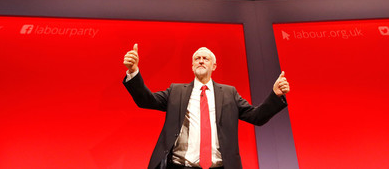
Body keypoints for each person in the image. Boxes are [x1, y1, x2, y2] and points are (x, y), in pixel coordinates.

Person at [123, 44, 290, 169]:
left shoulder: (229, 93)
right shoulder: (176, 91)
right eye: (197, 58)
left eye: (205, 58)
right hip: (180, 166)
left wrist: (275, 95)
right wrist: (133, 72)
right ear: (192, 66)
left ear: (214, 66)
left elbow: (257, 117)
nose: (201, 61)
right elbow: (146, 100)